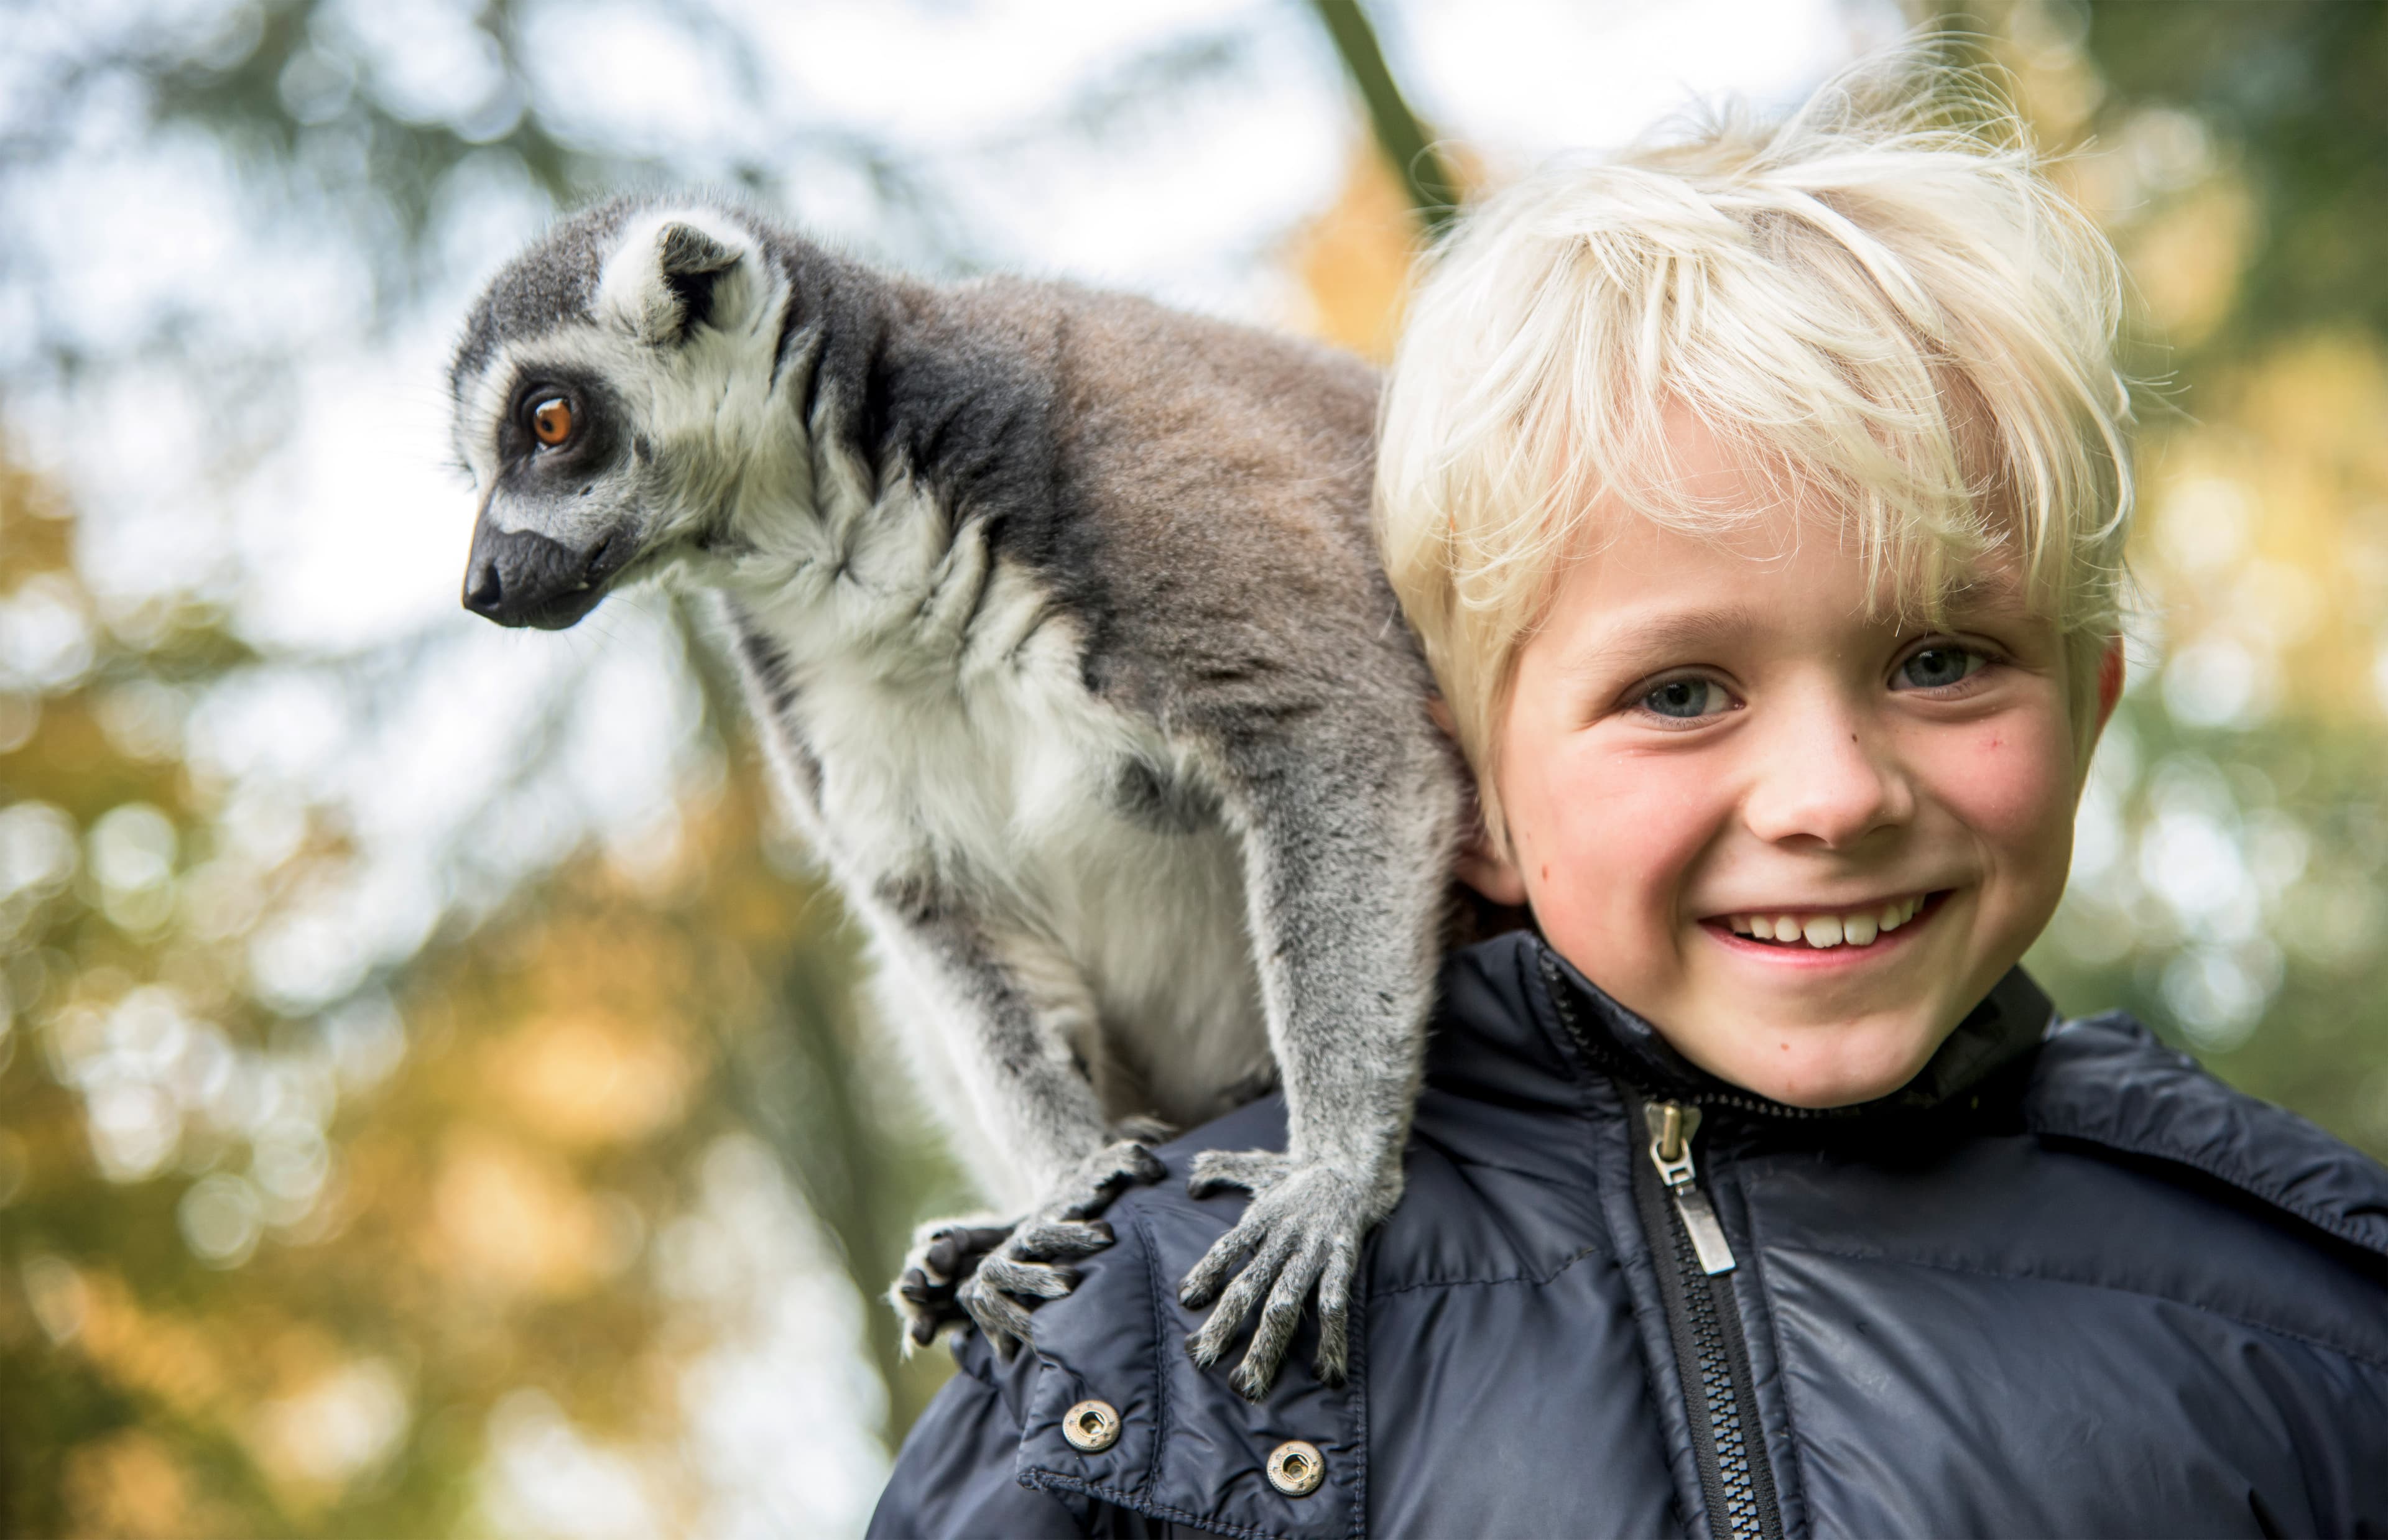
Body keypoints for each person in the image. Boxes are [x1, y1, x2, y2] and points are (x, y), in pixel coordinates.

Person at [868, 54, 2388, 1540]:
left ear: (2086, 705)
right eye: (1680, 693)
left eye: (1941, 660)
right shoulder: (1133, 1373)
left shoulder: (2318, 1312)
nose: (1831, 797)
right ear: (1464, 797)